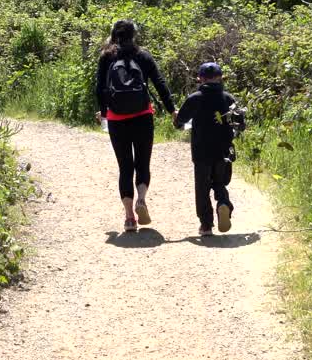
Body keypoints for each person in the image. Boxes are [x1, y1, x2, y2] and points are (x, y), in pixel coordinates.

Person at [95, 20, 176, 232]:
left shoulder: (106, 56)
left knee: (125, 167)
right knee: (142, 163)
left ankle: (129, 217)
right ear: (134, 35)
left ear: (113, 35)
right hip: (142, 115)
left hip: (116, 119)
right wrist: (172, 110)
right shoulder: (143, 55)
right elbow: (160, 83)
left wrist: (104, 113)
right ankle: (141, 199)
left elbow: (99, 88)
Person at [174, 62, 246, 237]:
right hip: (224, 150)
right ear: (220, 78)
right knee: (219, 182)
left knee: (202, 187)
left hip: (201, 151)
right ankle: (223, 203)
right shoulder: (229, 98)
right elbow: (241, 125)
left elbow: (179, 123)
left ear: (201, 79)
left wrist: (176, 117)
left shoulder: (195, 98)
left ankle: (206, 225)